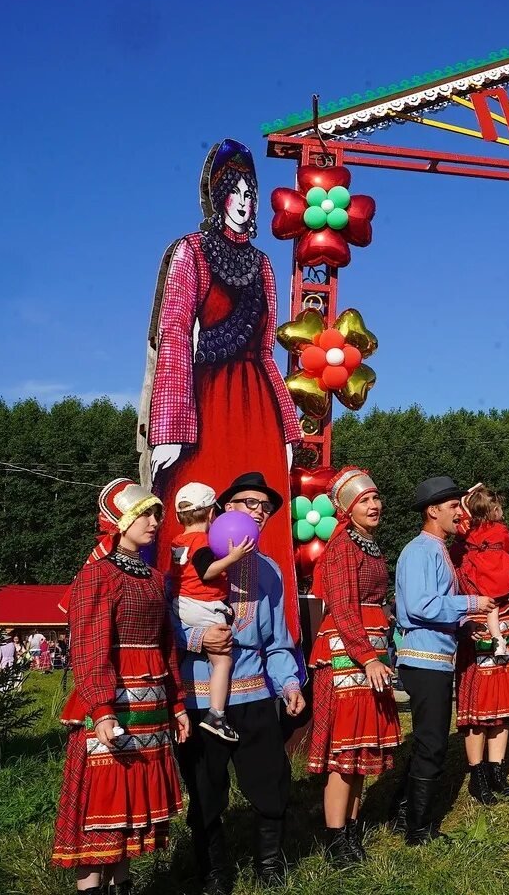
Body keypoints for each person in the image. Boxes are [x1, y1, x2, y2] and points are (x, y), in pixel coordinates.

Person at [139, 139, 302, 642]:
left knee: (264, 518)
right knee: (195, 510)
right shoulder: (189, 252)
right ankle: (183, 634)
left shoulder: (264, 266)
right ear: (217, 195)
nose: (246, 199)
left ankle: (273, 640)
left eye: (252, 190)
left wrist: (288, 427)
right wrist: (167, 427)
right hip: (202, 402)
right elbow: (173, 337)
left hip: (255, 407)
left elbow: (266, 352)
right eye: (236, 188)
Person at [52, 480, 190, 893]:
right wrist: (102, 710)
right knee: (102, 816)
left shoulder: (151, 577)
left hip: (151, 708)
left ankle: (124, 887)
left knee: (130, 822)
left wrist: (177, 703)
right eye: (145, 515)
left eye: (156, 515)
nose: (154, 522)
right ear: (121, 521)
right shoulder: (97, 575)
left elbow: (166, 645)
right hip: (113, 707)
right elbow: (91, 648)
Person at [173, 472, 306, 893]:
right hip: (199, 696)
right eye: (250, 503)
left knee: (271, 782)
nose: (259, 512)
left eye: (265, 507)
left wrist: (289, 685)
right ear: (224, 509)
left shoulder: (270, 571)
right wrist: (197, 637)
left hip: (254, 691)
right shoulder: (189, 557)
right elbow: (164, 621)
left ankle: (268, 864)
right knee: (206, 790)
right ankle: (214, 871)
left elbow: (278, 641)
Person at [305, 467, 401, 866]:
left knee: (362, 749)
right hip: (348, 655)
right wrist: (368, 656)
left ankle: (353, 832)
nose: (374, 505)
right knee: (344, 755)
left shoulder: (369, 544)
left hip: (369, 653)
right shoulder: (343, 545)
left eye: (376, 497)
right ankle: (334, 838)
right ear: (346, 508)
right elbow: (343, 608)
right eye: (364, 500)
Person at [392, 476, 494, 845]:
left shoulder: (436, 549)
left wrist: (465, 629)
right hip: (422, 659)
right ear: (433, 511)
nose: (459, 512)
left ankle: (402, 813)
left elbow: (433, 607)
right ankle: (419, 829)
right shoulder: (421, 550)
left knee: (427, 741)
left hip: (434, 657)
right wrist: (471, 604)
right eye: (453, 506)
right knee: (433, 743)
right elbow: (420, 606)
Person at [454, 486, 509, 805]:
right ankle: (478, 776)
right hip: (480, 624)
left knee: (503, 708)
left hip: (507, 623)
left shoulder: (502, 541)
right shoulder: (460, 549)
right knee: (479, 710)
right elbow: (458, 586)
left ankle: (496, 772)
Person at [167, 481, 255, 743]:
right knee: (223, 659)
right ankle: (216, 714)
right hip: (203, 604)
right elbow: (206, 571)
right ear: (210, 513)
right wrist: (232, 557)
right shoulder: (201, 541)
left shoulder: (178, 540)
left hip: (181, 602)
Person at [454, 485, 509, 664]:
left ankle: (497, 640)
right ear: (495, 510)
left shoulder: (467, 536)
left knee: (492, 607)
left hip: (483, 587)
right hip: (500, 581)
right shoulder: (500, 530)